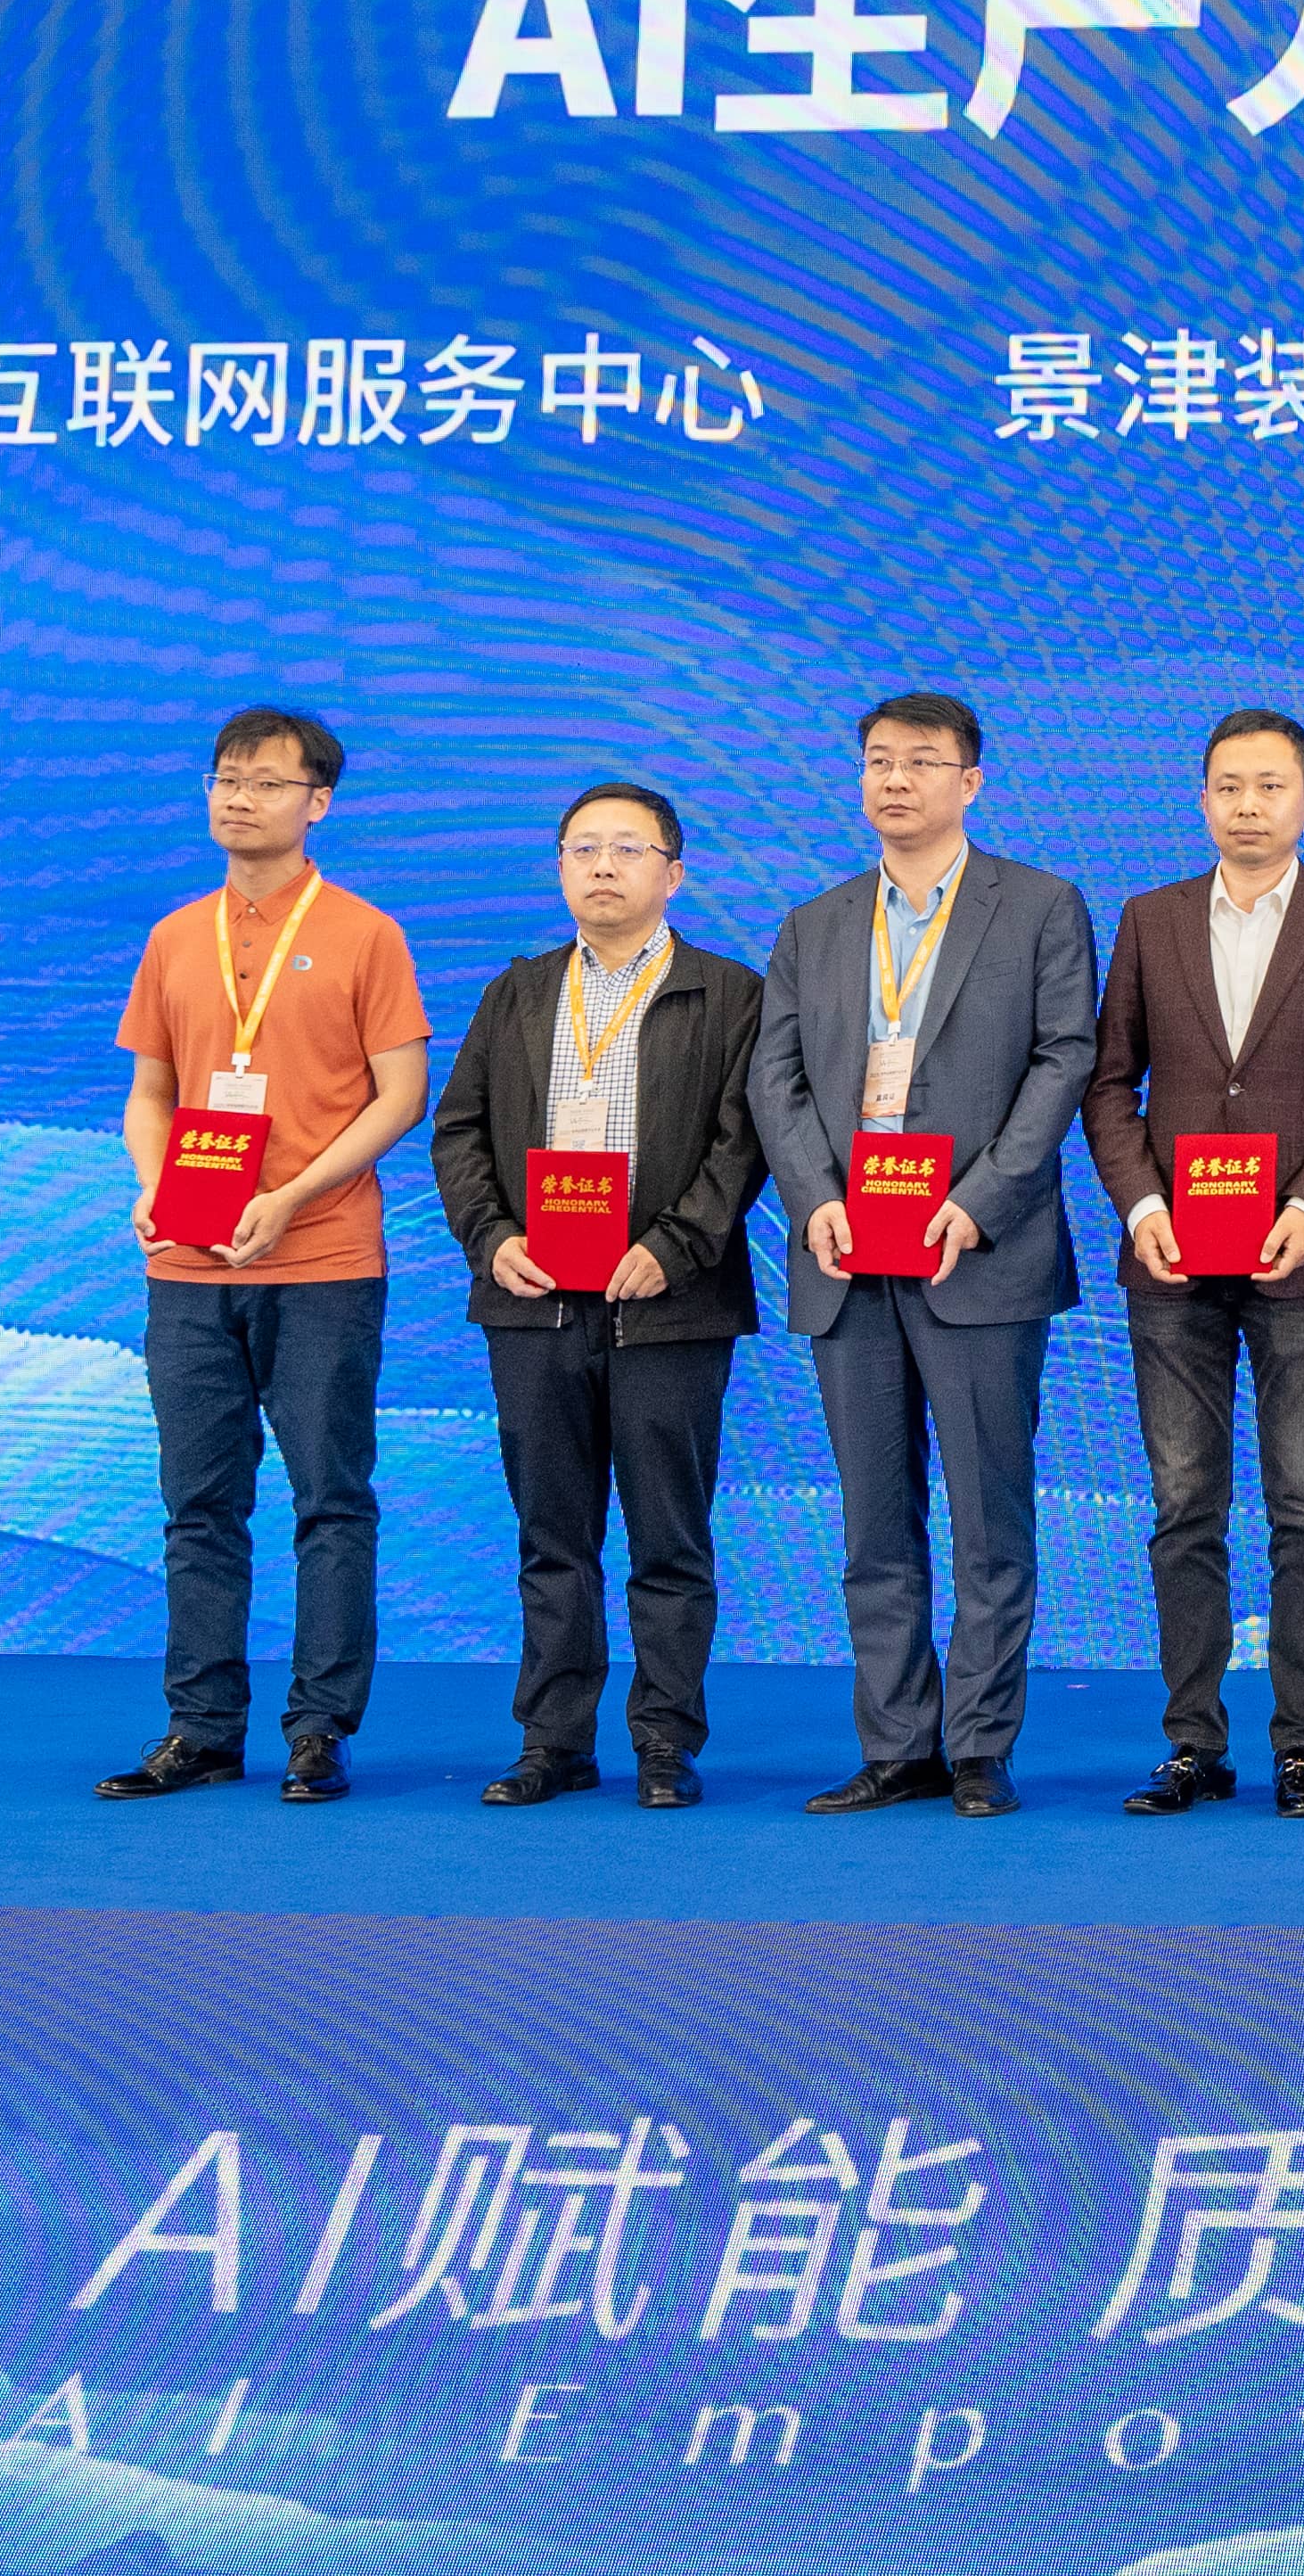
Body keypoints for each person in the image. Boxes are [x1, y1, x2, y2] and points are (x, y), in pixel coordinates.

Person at [747, 691, 1096, 1819]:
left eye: (920, 761)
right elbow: (774, 1077)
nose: (894, 779)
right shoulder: (814, 922)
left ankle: (980, 1742)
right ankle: (896, 1742)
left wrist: (980, 1200)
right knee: (872, 1518)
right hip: (848, 1252)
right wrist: (814, 1200)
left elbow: (1064, 1059)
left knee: (990, 1516)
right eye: (877, 761)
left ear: (970, 781)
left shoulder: (1038, 905)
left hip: (973, 1252)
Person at [101, 707, 430, 1807]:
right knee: (198, 1504)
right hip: (190, 1266)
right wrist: (152, 1183)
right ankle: (199, 1727)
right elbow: (151, 1090)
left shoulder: (365, 933)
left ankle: (319, 1726)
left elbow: (401, 1093)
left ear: (317, 802)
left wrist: (289, 1196)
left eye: (266, 781)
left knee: (329, 1497)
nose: (239, 798)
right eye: (224, 778)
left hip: (322, 1257)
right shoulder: (173, 936)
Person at [1087, 709, 1304, 1818]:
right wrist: (1141, 1204)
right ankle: (1192, 1740)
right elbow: (1108, 1080)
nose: (1247, 805)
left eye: (1270, 785)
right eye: (1228, 785)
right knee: (1184, 1502)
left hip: (1298, 1258)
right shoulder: (1149, 917)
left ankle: (1302, 1744)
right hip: (1171, 1259)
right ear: (1201, 798)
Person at [427, 777, 767, 1811]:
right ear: (560, 869)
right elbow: (458, 1130)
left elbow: (742, 1142)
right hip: (534, 1302)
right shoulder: (518, 990)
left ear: (674, 872)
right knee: (552, 1537)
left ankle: (664, 1739)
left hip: (669, 1304)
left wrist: (676, 1245)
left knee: (669, 1538)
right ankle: (553, 1740)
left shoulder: (729, 993)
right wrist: (492, 1239)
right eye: (583, 848)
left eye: (627, 848)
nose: (603, 866)